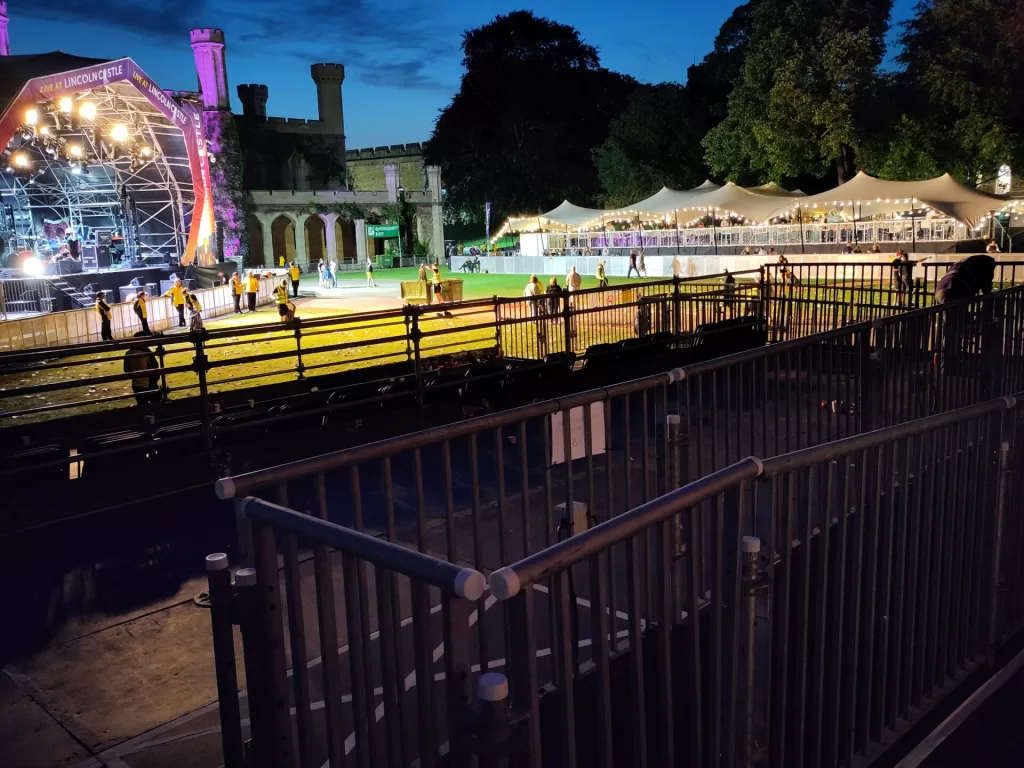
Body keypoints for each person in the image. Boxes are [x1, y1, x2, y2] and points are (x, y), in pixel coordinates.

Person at [124, 332, 160, 406]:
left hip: (136, 384)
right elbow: (155, 367)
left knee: (142, 405)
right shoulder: (147, 353)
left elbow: (126, 369)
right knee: (155, 404)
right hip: (150, 383)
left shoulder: (128, 353)